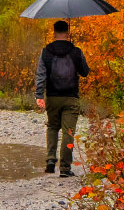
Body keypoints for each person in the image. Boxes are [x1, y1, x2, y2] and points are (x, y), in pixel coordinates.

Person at [34, 20, 90, 177]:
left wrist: (39, 95)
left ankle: (51, 161)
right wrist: (78, 55)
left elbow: (41, 74)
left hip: (52, 97)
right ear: (68, 32)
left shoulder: (46, 51)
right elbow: (85, 72)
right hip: (71, 98)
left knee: (52, 127)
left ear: (54, 33)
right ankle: (65, 168)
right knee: (68, 132)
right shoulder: (75, 51)